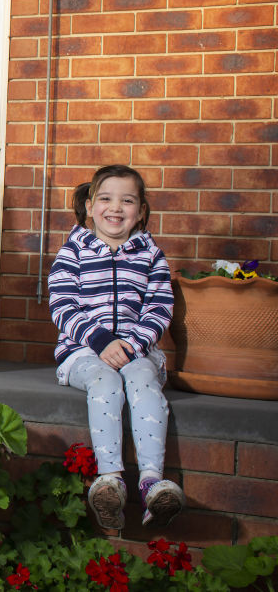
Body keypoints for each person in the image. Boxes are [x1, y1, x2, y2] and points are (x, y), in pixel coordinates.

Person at [48, 164, 185, 530]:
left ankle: (153, 481)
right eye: (106, 199)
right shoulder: (72, 252)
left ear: (140, 211)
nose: (116, 208)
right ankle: (111, 480)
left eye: (127, 201)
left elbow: (159, 307)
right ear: (90, 206)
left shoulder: (150, 256)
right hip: (83, 351)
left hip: (137, 350)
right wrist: (100, 341)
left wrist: (132, 344)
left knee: (143, 379)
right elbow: (62, 306)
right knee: (105, 382)